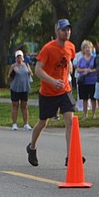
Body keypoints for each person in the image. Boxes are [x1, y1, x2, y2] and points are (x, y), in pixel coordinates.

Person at [26, 18, 78, 167]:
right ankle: (32, 147)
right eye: (63, 29)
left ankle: (70, 156)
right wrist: (53, 81)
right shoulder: (48, 48)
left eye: (68, 29)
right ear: (57, 31)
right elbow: (38, 70)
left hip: (64, 90)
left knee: (70, 120)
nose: (67, 32)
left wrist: (68, 75)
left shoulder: (71, 47)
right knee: (43, 122)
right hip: (48, 92)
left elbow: (68, 62)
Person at [7, 49, 33, 130]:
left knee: (24, 106)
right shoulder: (13, 66)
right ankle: (14, 124)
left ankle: (26, 124)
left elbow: (31, 73)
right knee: (15, 106)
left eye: (20, 57)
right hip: (15, 88)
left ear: (23, 57)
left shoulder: (26, 65)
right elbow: (8, 77)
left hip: (24, 88)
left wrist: (29, 72)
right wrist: (13, 72)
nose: (19, 58)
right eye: (17, 57)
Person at [75, 40, 97, 119]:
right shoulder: (81, 59)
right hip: (84, 81)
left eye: (89, 48)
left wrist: (90, 71)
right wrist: (84, 70)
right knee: (85, 98)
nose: (87, 49)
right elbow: (78, 69)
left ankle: (94, 114)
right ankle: (85, 114)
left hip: (93, 80)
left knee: (93, 98)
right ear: (83, 49)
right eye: (86, 48)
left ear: (92, 49)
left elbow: (97, 69)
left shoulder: (95, 58)